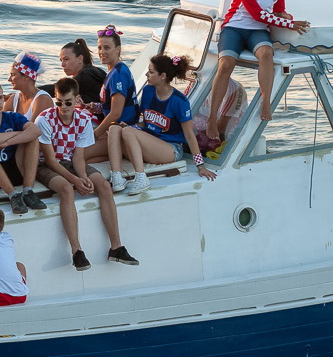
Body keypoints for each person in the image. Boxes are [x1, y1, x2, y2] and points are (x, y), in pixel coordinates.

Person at [208, 0, 311, 139]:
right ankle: (212, 117)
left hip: (257, 31)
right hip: (235, 27)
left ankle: (265, 101)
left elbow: (278, 10)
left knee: (266, 54)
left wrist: (288, 18)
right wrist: (289, 24)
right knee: (226, 64)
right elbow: (256, 13)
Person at [36, 77, 139, 270]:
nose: (63, 107)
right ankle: (77, 251)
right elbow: (49, 160)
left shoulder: (83, 119)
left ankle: (116, 247)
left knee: (103, 185)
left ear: (77, 99)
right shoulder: (44, 119)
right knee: (67, 189)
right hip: (47, 165)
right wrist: (75, 180)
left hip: (70, 161)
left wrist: (83, 177)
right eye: (59, 102)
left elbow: (78, 156)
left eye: (68, 102)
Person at [107, 54, 218, 194]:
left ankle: (141, 178)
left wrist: (200, 165)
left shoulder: (179, 101)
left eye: (151, 72)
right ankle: (116, 177)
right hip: (150, 143)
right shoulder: (148, 91)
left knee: (128, 131)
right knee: (114, 128)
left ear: (163, 76)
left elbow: (189, 135)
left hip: (171, 149)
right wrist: (131, 127)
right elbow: (146, 122)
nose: (147, 74)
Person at [0, 78, 46, 215]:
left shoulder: (12, 117)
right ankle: (13, 195)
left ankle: (28, 191)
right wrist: (18, 134)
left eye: (0, 97)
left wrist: (6, 142)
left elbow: (35, 131)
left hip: (12, 167)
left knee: (32, 140)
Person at [94, 25, 137, 138]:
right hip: (115, 128)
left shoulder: (118, 74)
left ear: (118, 49)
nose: (102, 52)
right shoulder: (114, 70)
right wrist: (95, 107)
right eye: (99, 48)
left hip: (121, 131)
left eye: (107, 48)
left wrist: (94, 135)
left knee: (81, 150)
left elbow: (116, 113)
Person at [59, 38, 108, 110]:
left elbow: (60, 89)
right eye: (61, 60)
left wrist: (37, 91)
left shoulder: (86, 75)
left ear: (80, 59)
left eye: (66, 59)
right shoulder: (91, 71)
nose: (62, 64)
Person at [6, 52, 52, 120]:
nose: (9, 79)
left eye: (13, 75)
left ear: (27, 77)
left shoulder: (42, 99)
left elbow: (32, 130)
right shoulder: (13, 99)